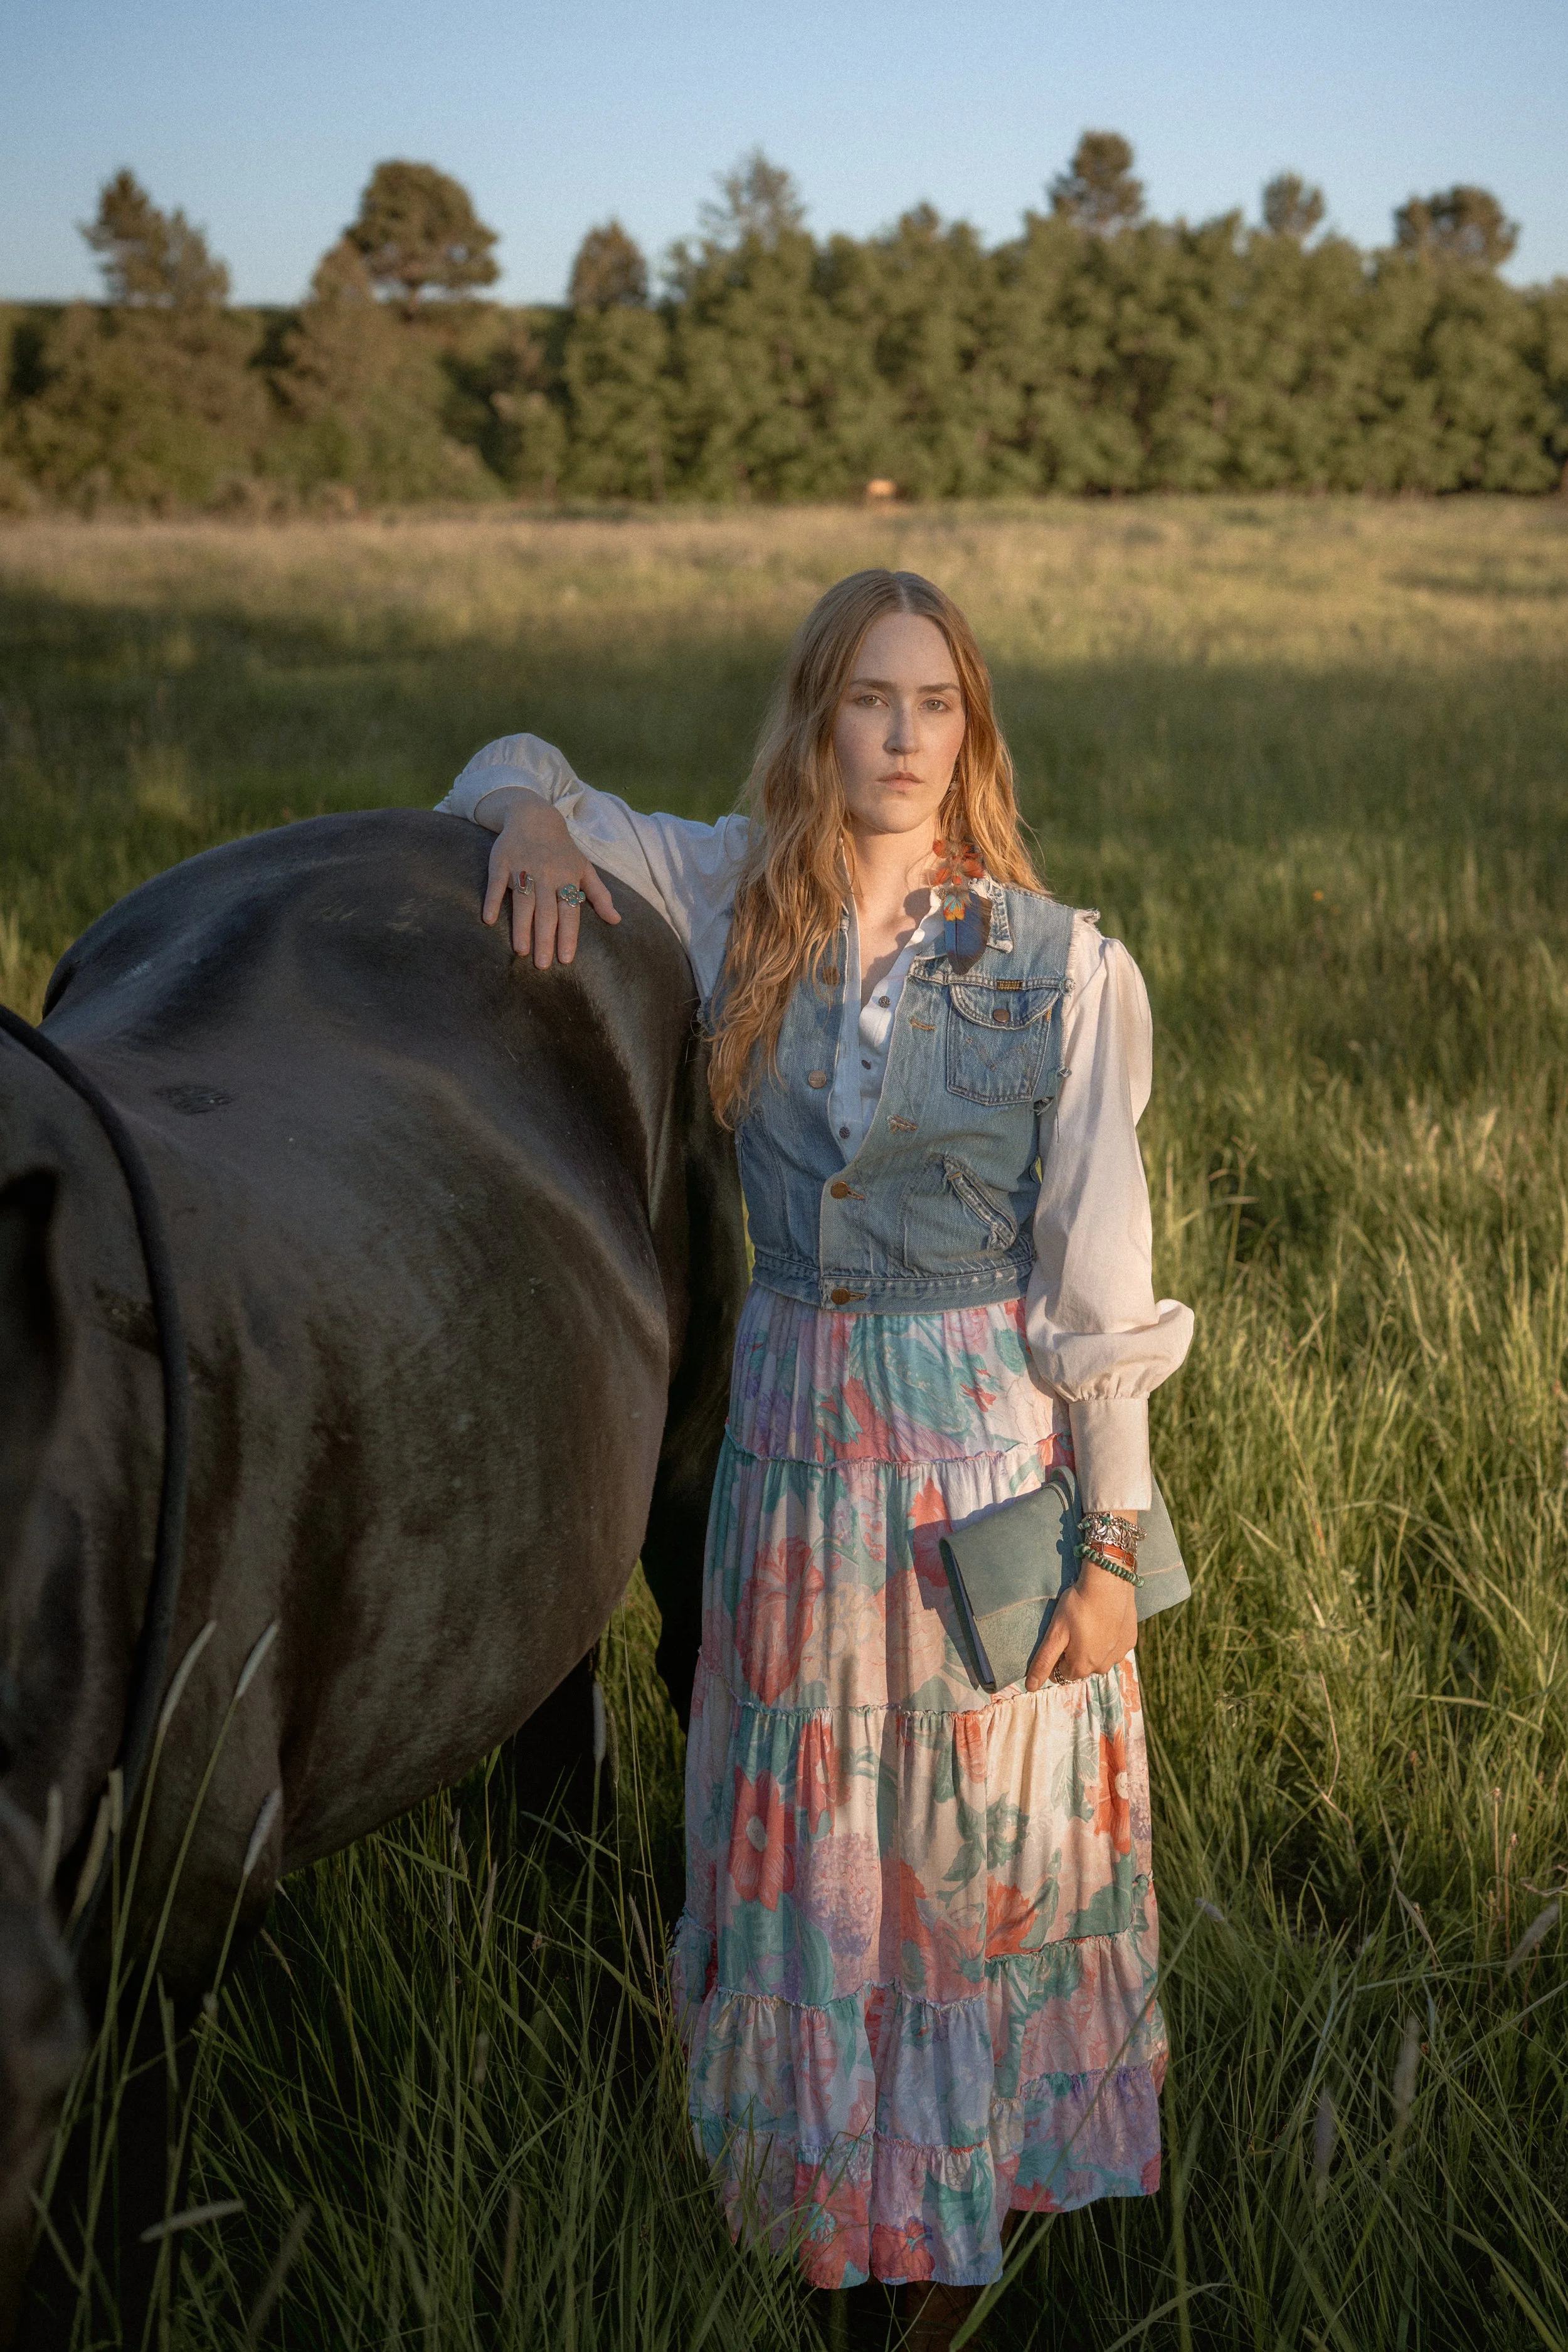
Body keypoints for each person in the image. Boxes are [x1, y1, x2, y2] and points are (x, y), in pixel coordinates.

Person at [436, 569, 1193, 2346]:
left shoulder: (1060, 963)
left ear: (972, 731)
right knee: (821, 1851)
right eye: (870, 699)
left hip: (974, 1460)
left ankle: (948, 2230)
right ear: (816, 720)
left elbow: (1097, 1283)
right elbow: (499, 760)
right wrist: (536, 817)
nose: (906, 736)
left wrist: (1109, 1549)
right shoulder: (726, 897)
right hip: (787, 1455)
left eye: (936, 703)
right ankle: (835, 2210)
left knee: (966, 1842)